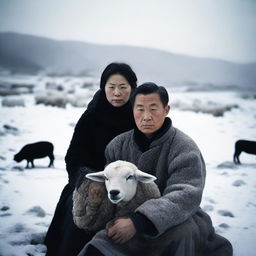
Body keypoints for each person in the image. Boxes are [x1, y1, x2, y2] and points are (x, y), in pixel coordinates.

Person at [77, 82, 233, 256]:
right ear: (132, 110)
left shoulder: (184, 148)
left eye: (153, 109)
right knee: (101, 244)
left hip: (179, 216)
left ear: (166, 110)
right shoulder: (117, 145)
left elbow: (186, 194)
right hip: (125, 215)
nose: (146, 116)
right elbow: (111, 183)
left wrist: (139, 221)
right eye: (140, 109)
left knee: (181, 236)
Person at [44, 62, 137, 256]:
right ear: (103, 88)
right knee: (79, 215)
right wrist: (87, 180)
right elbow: (74, 157)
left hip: (128, 185)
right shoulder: (91, 116)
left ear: (132, 88)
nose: (117, 93)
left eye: (123, 87)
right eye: (111, 87)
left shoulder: (139, 116)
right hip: (90, 182)